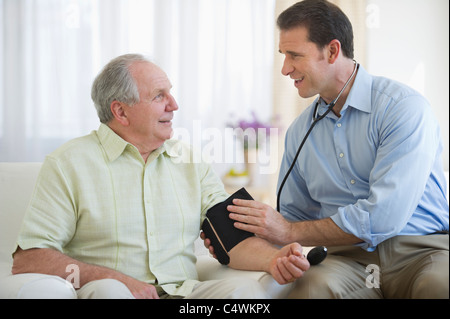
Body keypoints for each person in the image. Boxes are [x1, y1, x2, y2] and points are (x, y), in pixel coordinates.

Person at [11, 53, 310, 299]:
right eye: (158, 96)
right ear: (121, 111)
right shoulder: (68, 164)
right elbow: (30, 259)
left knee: (248, 298)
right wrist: (114, 279)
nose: (174, 105)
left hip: (185, 293)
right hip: (110, 293)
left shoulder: (191, 161)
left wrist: (274, 259)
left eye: (170, 92)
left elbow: (232, 239)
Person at [211, 0, 449, 298]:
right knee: (311, 288)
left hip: (422, 250)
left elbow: (383, 217)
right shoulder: (300, 131)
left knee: (441, 285)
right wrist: (240, 236)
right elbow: (293, 219)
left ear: (333, 51)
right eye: (283, 55)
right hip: (349, 260)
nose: (285, 69)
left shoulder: (403, 108)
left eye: (294, 55)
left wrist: (288, 231)